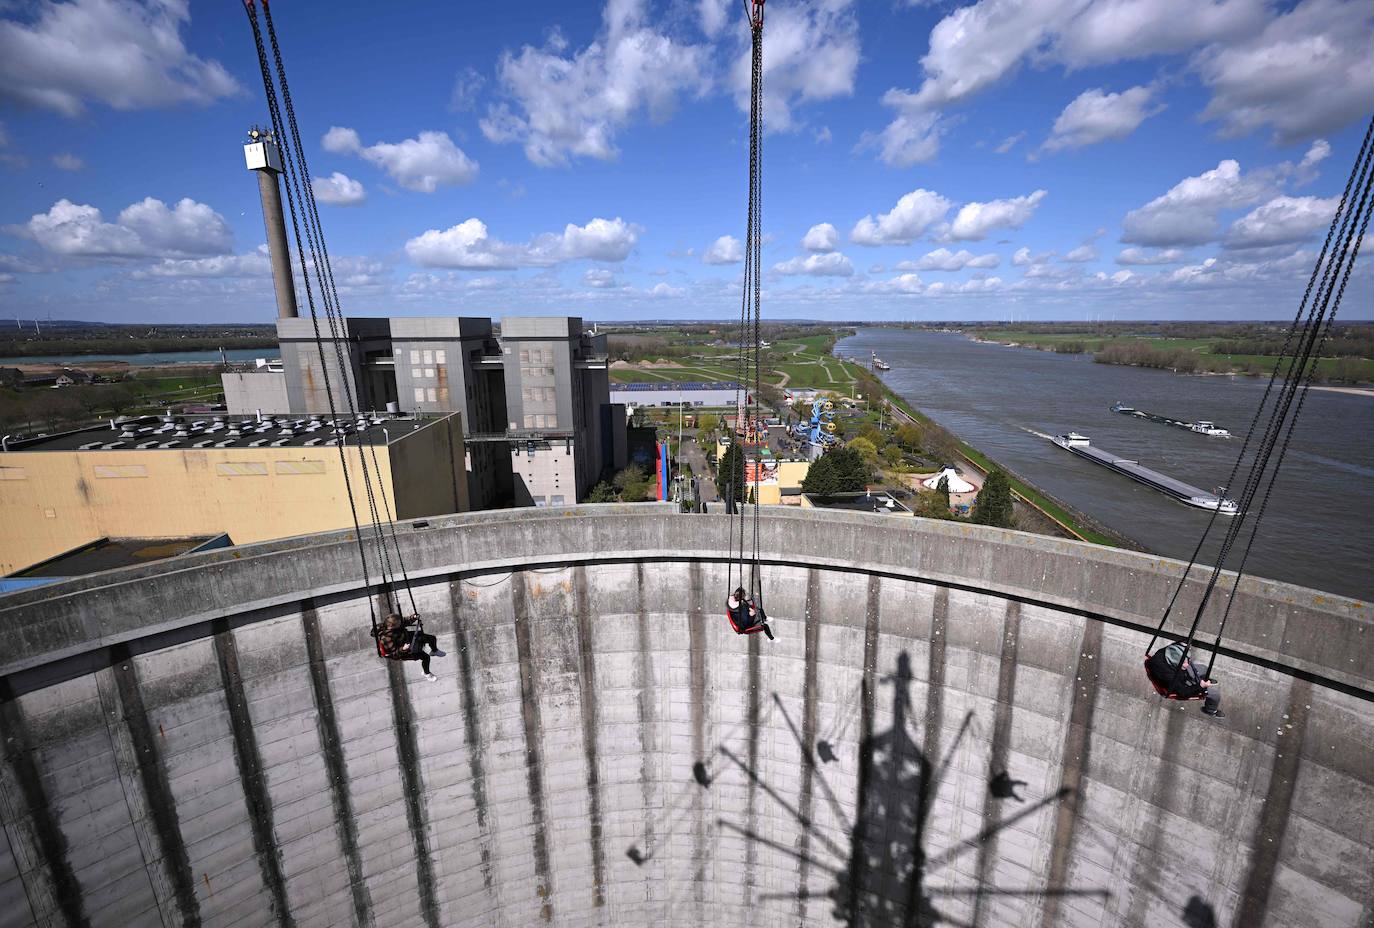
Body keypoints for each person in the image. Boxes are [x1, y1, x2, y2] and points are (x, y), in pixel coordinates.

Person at [1145, 641, 1224, 718]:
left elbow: (1176, 646)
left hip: (1178, 672)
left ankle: (1202, 679)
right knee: (1215, 695)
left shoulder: (1165, 652)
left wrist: (1185, 643)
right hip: (1180, 685)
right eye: (1183, 663)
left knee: (1204, 668)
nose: (1187, 665)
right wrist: (1200, 686)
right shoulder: (1170, 677)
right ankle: (1210, 710)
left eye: (1187, 661)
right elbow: (1184, 692)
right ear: (1175, 661)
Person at [380, 614, 445, 681]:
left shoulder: (392, 624)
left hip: (405, 638)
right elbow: (394, 654)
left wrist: (413, 617)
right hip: (403, 652)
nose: (401, 623)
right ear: (392, 626)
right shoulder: (386, 638)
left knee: (431, 638)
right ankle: (427, 673)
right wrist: (403, 649)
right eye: (399, 623)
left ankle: (434, 651)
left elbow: (404, 621)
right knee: (426, 657)